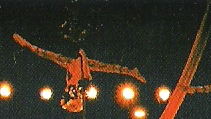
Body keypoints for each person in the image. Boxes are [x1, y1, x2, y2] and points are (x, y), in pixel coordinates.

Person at [13, 33, 146, 112]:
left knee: (47, 54)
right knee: (108, 67)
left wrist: (27, 46)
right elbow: (110, 68)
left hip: (74, 64)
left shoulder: (70, 76)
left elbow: (44, 54)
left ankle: (131, 71)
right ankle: (131, 71)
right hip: (80, 66)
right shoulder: (82, 79)